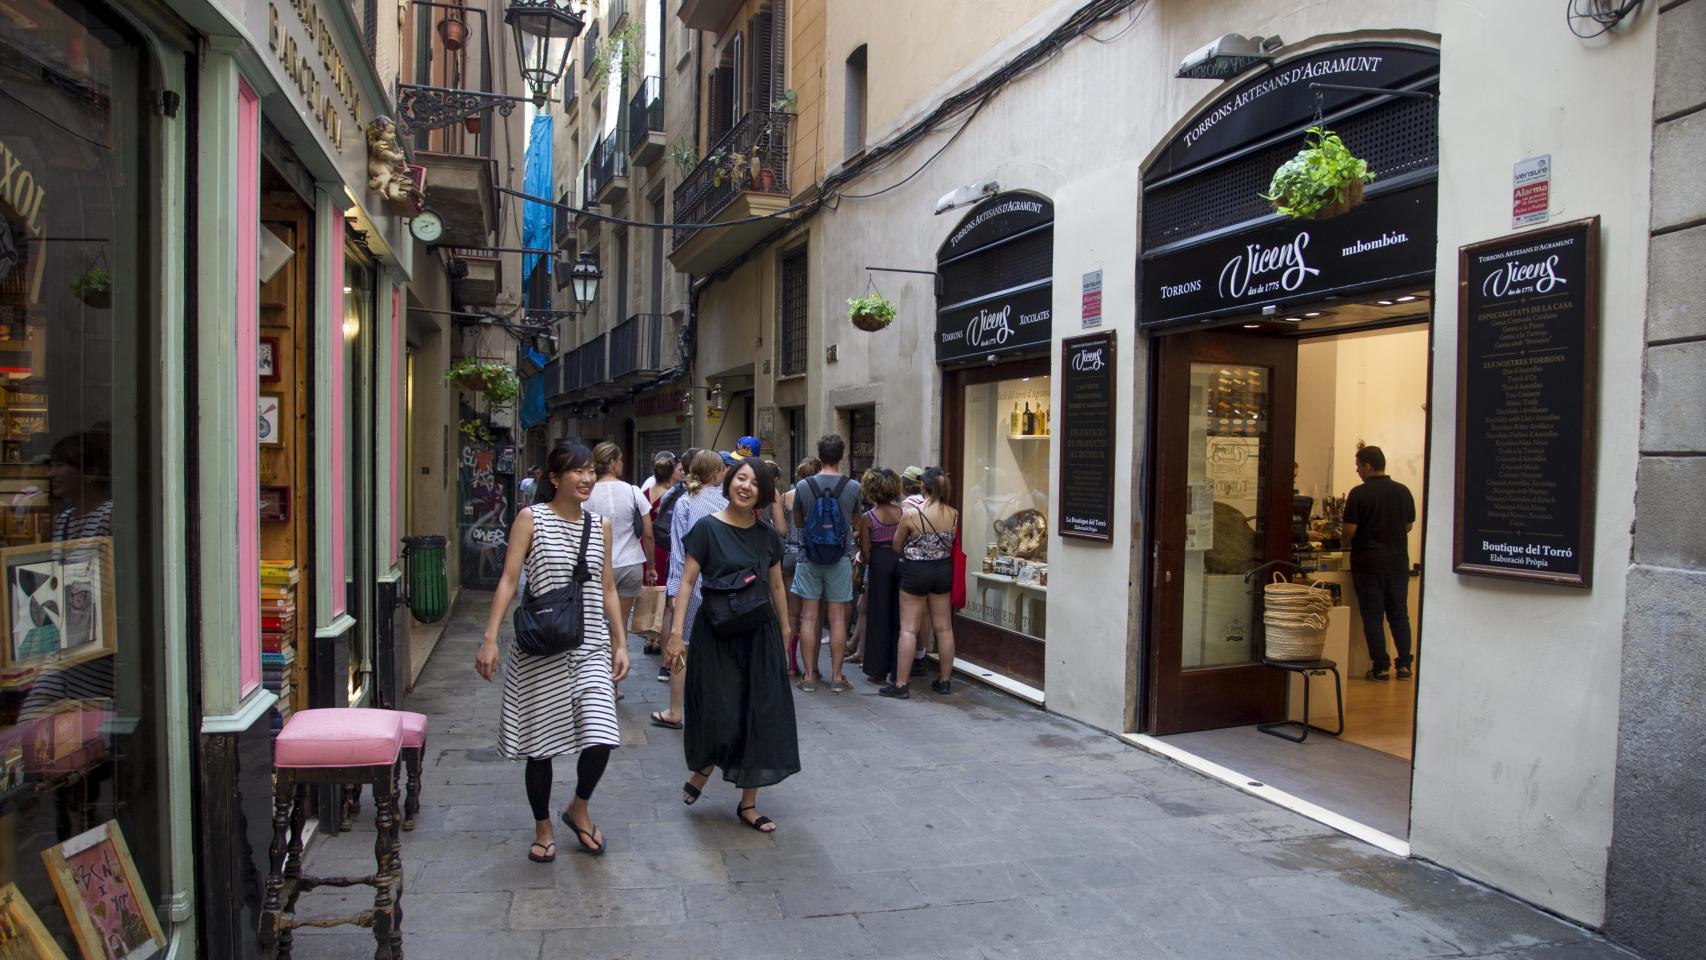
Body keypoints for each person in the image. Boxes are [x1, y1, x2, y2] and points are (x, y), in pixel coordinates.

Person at [475, 442, 629, 861]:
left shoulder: (601, 526)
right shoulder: (531, 519)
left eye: (590, 471)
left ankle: (578, 807)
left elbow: (608, 587)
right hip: (541, 647)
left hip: (590, 644)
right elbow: (508, 580)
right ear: (555, 478)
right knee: (539, 745)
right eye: (577, 471)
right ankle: (543, 826)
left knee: (602, 735)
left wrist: (621, 642)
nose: (586, 479)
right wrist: (490, 636)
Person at [663, 458, 800, 831]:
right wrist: (677, 633)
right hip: (716, 634)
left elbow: (775, 586)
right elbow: (688, 582)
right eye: (741, 478)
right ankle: (706, 765)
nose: (746, 487)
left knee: (761, 712)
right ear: (728, 482)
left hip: (760, 634)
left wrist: (786, 631)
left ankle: (748, 803)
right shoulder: (707, 529)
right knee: (719, 708)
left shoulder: (767, 535)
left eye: (755, 483)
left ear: (763, 493)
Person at [652, 450, 728, 728]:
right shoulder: (728, 502)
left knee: (681, 646)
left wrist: (673, 590)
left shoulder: (685, 502)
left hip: (692, 585)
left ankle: (675, 710)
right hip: (724, 584)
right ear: (718, 473)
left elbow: (678, 552)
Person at [790, 435, 862, 693]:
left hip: (809, 557)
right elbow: (856, 522)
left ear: (819, 455)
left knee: (809, 617)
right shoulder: (853, 486)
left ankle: (809, 676)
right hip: (840, 557)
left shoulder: (804, 486)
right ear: (842, 455)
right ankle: (837, 676)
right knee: (838, 619)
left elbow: (798, 522)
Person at [1342, 445, 1417, 681]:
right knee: (1399, 615)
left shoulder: (1359, 493)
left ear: (1368, 465)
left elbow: (1349, 530)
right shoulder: (1403, 491)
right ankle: (1404, 665)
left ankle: (1381, 667)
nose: (1356, 470)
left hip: (1368, 564)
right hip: (1397, 564)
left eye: (1357, 465)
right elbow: (1408, 526)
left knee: (1373, 616)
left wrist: (1344, 541)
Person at [884, 467, 959, 699]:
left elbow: (897, 545)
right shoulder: (953, 514)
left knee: (908, 628)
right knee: (944, 627)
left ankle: (901, 684)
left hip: (916, 571)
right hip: (943, 569)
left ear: (923, 487)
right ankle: (945, 680)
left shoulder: (911, 515)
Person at [587, 442, 656, 643]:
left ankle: (597, 670)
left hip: (597, 565)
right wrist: (650, 566)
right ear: (614, 462)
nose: (622, 464)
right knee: (619, 625)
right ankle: (616, 669)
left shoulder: (587, 494)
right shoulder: (634, 491)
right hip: (630, 564)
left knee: (595, 624)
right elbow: (648, 533)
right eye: (621, 460)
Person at [855, 468, 903, 685]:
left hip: (879, 564)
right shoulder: (902, 513)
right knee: (898, 616)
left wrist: (865, 562)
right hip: (899, 562)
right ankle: (897, 667)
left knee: (877, 616)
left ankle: (877, 669)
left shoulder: (868, 517)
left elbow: (865, 552)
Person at [652, 448, 697, 676]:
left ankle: (665, 664)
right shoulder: (696, 496)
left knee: (671, 609)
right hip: (691, 561)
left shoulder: (672, 493)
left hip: (673, 557)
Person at [778, 457, 818, 677]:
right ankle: (813, 667)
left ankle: (792, 664)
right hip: (810, 556)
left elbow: (782, 529)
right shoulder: (819, 496)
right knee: (811, 616)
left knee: (792, 614)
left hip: (789, 556)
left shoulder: (785, 497)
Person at [642, 452, 680, 656]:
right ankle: (656, 638)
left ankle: (651, 636)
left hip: (648, 544)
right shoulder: (672, 494)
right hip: (664, 545)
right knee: (663, 593)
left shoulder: (647, 491)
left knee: (651, 590)